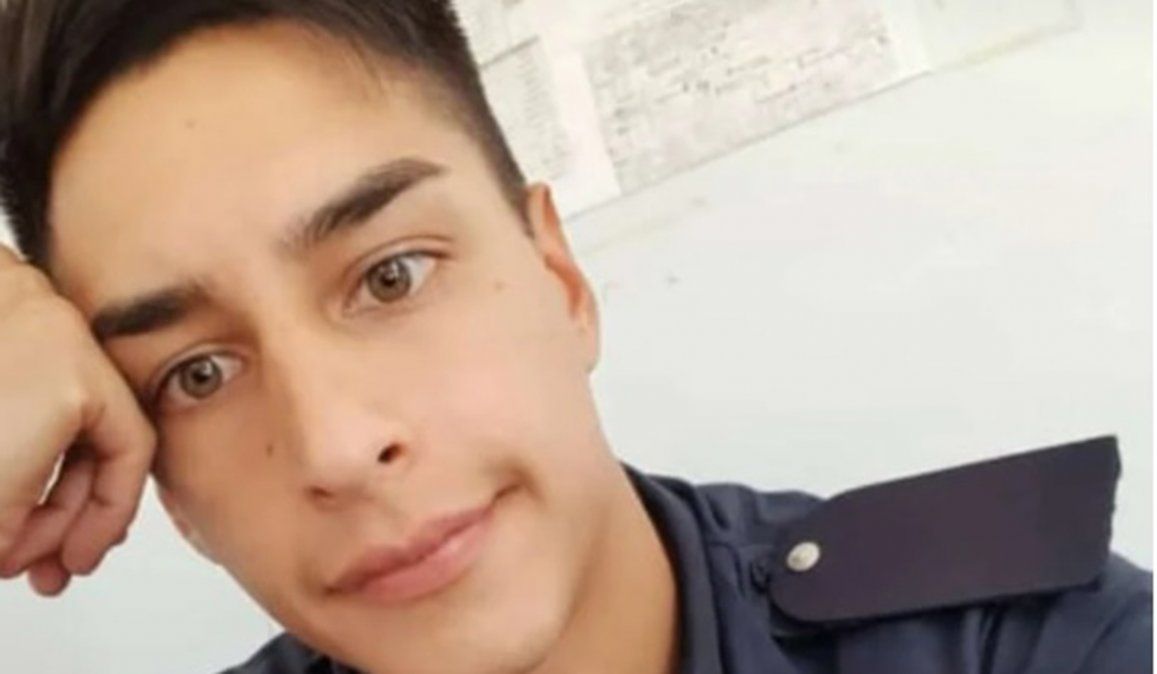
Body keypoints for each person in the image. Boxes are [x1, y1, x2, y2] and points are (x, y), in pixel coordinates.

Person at [0, 1, 1149, 673]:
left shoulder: (1014, 641)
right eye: (196, 373)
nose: (338, 444)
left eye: (391, 275)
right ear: (162, 486)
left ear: (557, 276)